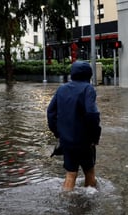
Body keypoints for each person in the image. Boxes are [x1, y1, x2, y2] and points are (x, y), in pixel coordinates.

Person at [47, 61, 101, 191]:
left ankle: (66, 201)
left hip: (67, 140)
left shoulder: (61, 89)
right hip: (84, 141)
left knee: (71, 174)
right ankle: (88, 202)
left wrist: (58, 133)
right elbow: (92, 114)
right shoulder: (88, 89)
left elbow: (50, 113)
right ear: (89, 75)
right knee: (89, 172)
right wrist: (95, 137)